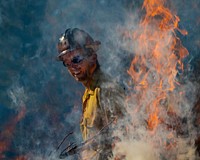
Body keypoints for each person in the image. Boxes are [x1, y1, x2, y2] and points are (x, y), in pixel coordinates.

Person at [56, 28, 126, 160]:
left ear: (92, 57)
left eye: (76, 59)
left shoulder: (107, 90)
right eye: (66, 63)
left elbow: (124, 140)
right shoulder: (89, 93)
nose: (72, 66)